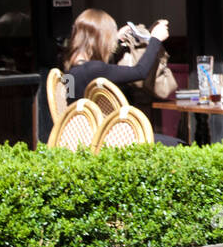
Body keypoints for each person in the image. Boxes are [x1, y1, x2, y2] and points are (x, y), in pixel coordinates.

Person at [63, 8, 180, 146]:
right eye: (109, 37)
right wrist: (155, 39)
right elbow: (140, 72)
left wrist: (117, 40)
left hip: (83, 139)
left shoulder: (70, 68)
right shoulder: (95, 69)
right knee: (179, 144)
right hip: (107, 141)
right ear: (102, 38)